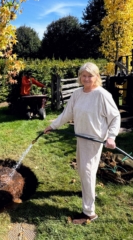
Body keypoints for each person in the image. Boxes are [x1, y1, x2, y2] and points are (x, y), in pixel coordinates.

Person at [44, 62, 120, 224]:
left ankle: (89, 213)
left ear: (97, 77)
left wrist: (111, 136)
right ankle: (88, 192)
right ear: (80, 77)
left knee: (86, 171)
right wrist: (53, 125)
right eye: (83, 75)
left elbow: (115, 117)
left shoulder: (102, 94)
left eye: (90, 75)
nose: (86, 79)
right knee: (83, 169)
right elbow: (67, 113)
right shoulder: (77, 94)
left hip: (94, 140)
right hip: (81, 137)